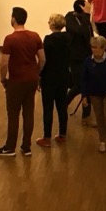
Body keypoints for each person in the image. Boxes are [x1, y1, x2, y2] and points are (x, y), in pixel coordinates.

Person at [0, 7, 43, 158]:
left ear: (13, 19)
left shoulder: (10, 39)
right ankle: (26, 147)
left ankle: (10, 147)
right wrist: (36, 73)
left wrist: (3, 78)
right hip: (31, 80)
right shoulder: (35, 36)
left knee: (13, 114)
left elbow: (4, 63)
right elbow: (42, 59)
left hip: (16, 81)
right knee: (29, 113)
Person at [79, 34, 106, 153]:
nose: (93, 50)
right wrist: (84, 96)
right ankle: (102, 141)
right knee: (99, 117)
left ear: (103, 48)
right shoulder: (88, 61)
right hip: (94, 94)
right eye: (92, 47)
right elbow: (84, 79)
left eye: (95, 47)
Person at [36, 13, 71, 148]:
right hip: (63, 76)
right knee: (62, 106)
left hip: (49, 78)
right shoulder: (68, 38)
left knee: (48, 108)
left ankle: (47, 138)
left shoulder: (49, 39)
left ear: (53, 24)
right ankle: (62, 134)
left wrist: (39, 75)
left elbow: (44, 60)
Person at [65, 0, 94, 124]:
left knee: (87, 85)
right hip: (76, 57)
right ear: (82, 7)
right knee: (79, 85)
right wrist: (86, 16)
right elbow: (82, 32)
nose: (90, 7)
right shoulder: (70, 18)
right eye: (87, 5)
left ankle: (86, 116)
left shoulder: (84, 18)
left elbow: (89, 35)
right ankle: (63, 104)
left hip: (87, 56)